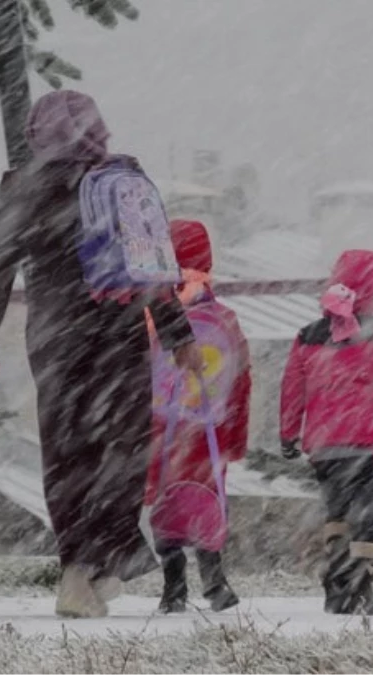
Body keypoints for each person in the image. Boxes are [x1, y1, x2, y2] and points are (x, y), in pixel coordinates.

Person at [0, 90, 203, 618]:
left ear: (37, 133)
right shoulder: (121, 178)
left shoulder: (25, 186)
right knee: (120, 450)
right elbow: (151, 266)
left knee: (66, 451)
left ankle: (77, 569)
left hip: (55, 339)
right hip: (117, 334)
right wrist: (177, 334)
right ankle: (106, 562)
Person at [279, 250, 373, 615]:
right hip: (369, 445)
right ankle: (362, 581)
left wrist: (288, 433)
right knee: (368, 513)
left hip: (326, 446)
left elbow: (293, 390)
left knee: (336, 511)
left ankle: (338, 575)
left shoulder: (308, 336)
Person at [143, 219, 250, 614]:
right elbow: (241, 381)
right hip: (211, 434)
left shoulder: (153, 317)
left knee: (167, 503)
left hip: (162, 430)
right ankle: (214, 581)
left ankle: (173, 588)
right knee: (208, 502)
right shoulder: (224, 319)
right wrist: (236, 437)